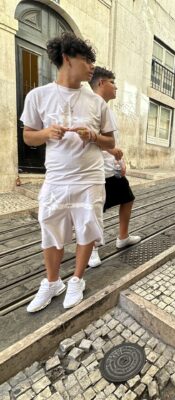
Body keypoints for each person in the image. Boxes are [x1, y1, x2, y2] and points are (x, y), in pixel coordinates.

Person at [21, 33, 116, 312]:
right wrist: (46, 132)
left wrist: (94, 136)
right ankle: (52, 283)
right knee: (50, 228)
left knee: (87, 229)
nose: (91, 66)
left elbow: (111, 142)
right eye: (86, 60)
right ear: (66, 58)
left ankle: (76, 279)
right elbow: (28, 137)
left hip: (90, 179)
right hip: (57, 178)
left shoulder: (97, 103)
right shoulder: (38, 96)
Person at [88, 67, 141, 268]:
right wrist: (113, 152)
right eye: (112, 81)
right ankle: (92, 248)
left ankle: (122, 237)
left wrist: (120, 161)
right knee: (95, 210)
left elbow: (111, 140)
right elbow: (90, 137)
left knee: (128, 199)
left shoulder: (107, 109)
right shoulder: (92, 106)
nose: (116, 86)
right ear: (101, 83)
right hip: (97, 170)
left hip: (112, 169)